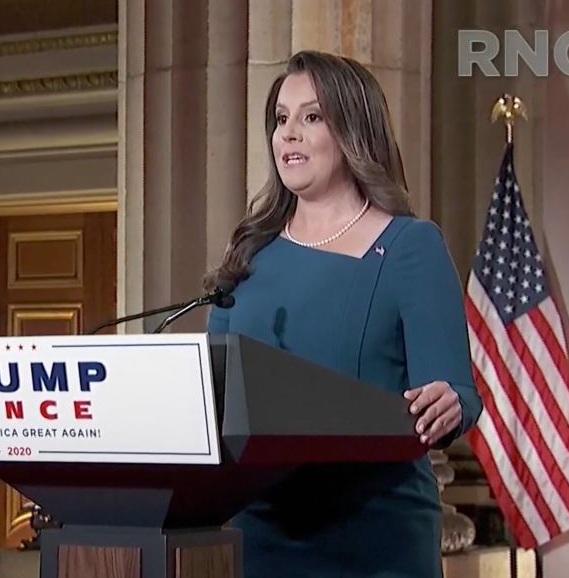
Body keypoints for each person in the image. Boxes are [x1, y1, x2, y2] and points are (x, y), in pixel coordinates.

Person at [205, 50, 483, 578]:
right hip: (260, 539)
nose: (289, 134)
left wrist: (448, 403)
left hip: (375, 539)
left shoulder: (409, 246)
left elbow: (457, 392)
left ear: (353, 129)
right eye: (281, 119)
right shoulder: (247, 256)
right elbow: (212, 398)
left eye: (311, 117)